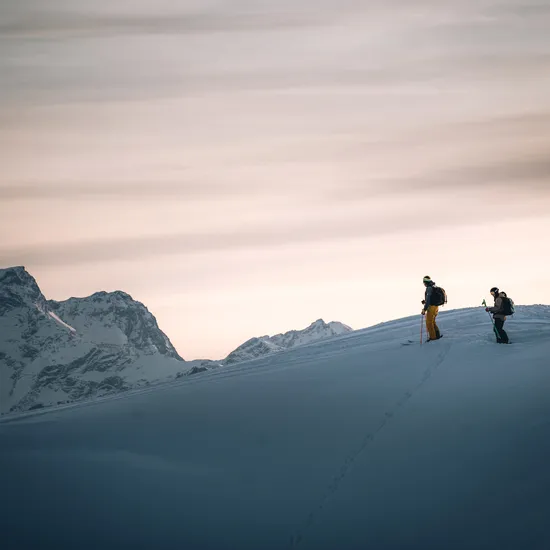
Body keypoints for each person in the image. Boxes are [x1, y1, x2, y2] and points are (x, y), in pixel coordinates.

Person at [421, 276, 441, 342]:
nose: (423, 284)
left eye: (424, 282)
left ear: (425, 282)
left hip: (431, 307)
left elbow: (429, 299)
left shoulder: (429, 288)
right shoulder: (434, 286)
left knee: (429, 322)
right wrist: (425, 301)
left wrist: (424, 309)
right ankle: (437, 335)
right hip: (436, 306)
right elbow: (431, 298)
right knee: (432, 321)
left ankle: (433, 338)